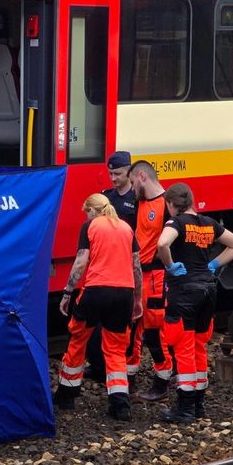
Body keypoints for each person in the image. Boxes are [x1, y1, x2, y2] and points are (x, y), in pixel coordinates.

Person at [155, 182, 233, 423]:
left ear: (172, 205)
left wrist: (170, 265)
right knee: (198, 347)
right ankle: (198, 405)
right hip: (207, 290)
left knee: (182, 348)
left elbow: (162, 243)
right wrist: (214, 264)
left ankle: (184, 409)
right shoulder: (209, 224)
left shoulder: (176, 222)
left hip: (184, 292)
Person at [54, 193, 143, 421]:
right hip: (123, 293)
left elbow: (81, 261)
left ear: (93, 211)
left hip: (95, 291)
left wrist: (67, 292)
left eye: (87, 211)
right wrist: (137, 300)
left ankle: (66, 395)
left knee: (78, 339)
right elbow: (136, 268)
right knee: (115, 348)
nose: (86, 215)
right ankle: (120, 404)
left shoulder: (90, 225)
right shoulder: (126, 228)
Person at [86, 150, 139, 381]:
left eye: (117, 173)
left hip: (127, 267)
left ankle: (127, 368)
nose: (113, 178)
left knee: (127, 326)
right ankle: (99, 367)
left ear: (129, 171)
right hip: (106, 266)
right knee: (99, 325)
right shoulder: (107, 197)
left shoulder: (137, 200)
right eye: (110, 174)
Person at [126, 160, 174, 401]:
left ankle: (162, 381)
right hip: (138, 274)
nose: (132, 188)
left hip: (155, 276)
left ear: (142, 176)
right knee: (133, 327)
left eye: (133, 182)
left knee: (155, 331)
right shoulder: (139, 203)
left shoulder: (167, 204)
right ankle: (129, 380)